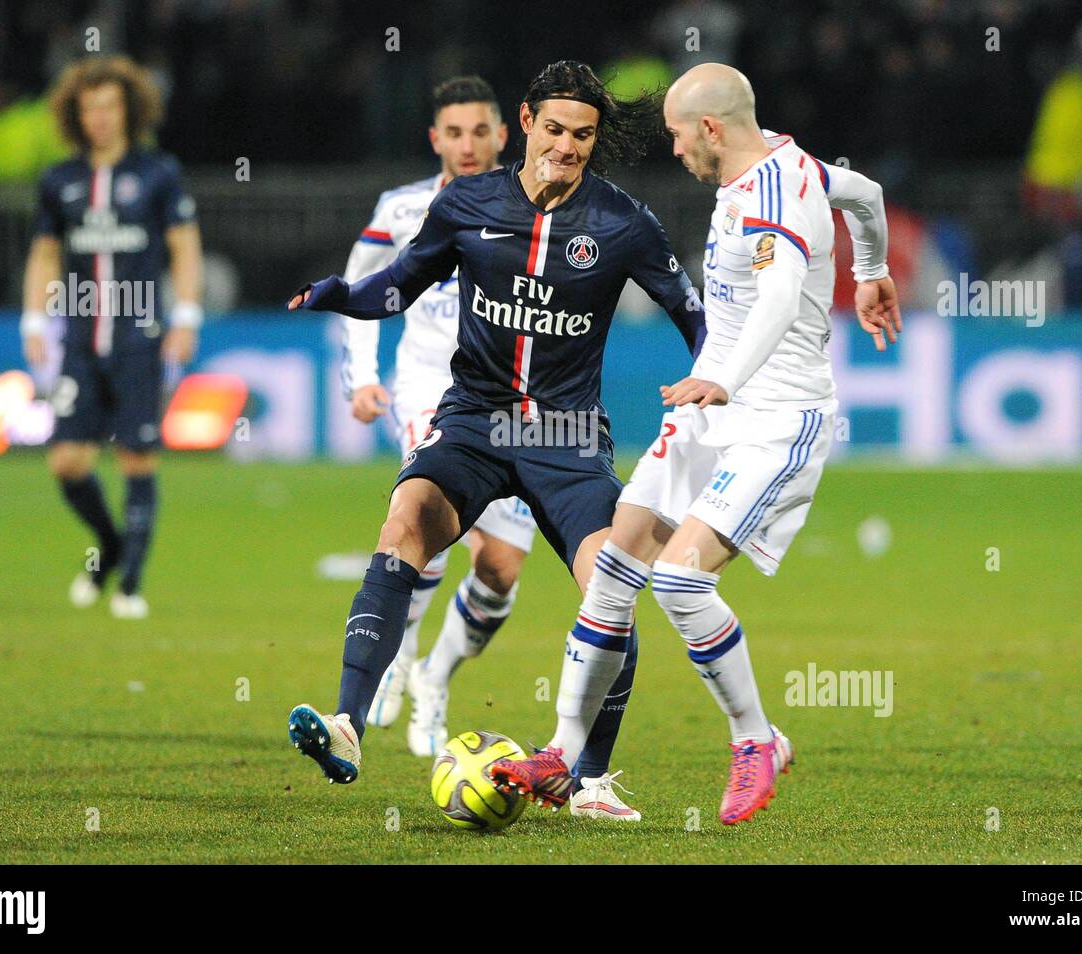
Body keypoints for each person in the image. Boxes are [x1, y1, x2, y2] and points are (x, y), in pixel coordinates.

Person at [285, 61, 704, 822]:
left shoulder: (624, 223)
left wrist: (719, 379)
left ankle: (591, 779)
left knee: (613, 586)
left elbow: (691, 312)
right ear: (527, 122)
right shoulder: (467, 203)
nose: (567, 147)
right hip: (475, 419)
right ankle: (348, 724)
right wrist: (342, 296)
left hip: (567, 434)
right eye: (555, 130)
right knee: (406, 522)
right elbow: (401, 283)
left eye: (583, 135)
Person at [490, 63, 900, 824]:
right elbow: (867, 197)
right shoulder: (791, 163)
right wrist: (870, 271)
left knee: (680, 582)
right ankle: (563, 755)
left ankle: (757, 742)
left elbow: (779, 297)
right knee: (616, 564)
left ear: (711, 128)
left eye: (678, 135)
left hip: (776, 418)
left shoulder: (775, 192)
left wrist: (726, 379)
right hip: (714, 410)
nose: (675, 149)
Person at [338, 76, 539, 759]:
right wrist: (361, 376)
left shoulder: (535, 205)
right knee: (427, 522)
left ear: (503, 135)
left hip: (515, 399)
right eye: (454, 133)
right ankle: (392, 657)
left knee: (502, 568)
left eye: (480, 131)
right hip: (430, 389)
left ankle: (434, 676)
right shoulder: (401, 209)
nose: (468, 145)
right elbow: (362, 285)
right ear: (435, 139)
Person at [21, 55, 203, 620]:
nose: (99, 117)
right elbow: (46, 252)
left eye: (109, 106)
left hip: (139, 334)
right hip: (79, 336)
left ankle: (129, 584)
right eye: (88, 107)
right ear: (76, 115)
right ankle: (113, 543)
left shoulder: (157, 173)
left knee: (136, 455)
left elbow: (184, 245)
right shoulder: (60, 180)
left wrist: (188, 316)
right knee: (67, 462)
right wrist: (33, 320)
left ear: (128, 110)